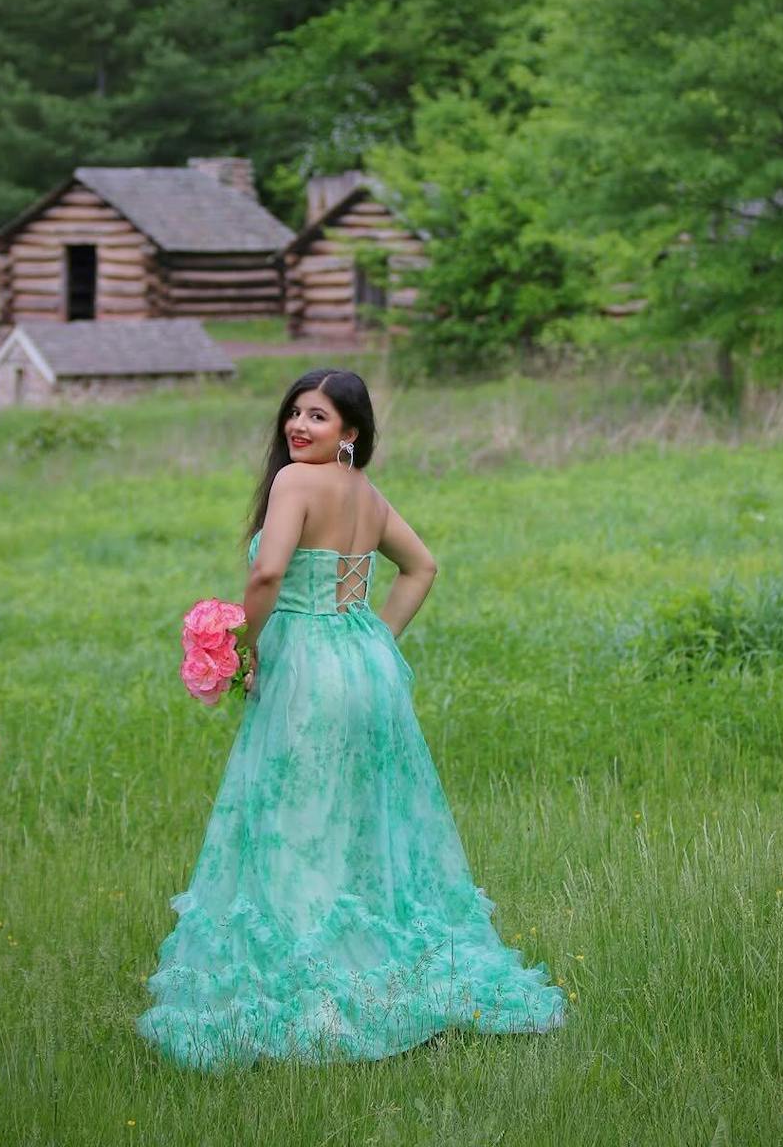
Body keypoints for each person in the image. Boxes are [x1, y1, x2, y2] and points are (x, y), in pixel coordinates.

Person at [135, 367, 567, 1067]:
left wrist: (243, 649)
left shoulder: (295, 483)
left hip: (307, 667)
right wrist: (373, 641)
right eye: (295, 412)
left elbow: (268, 574)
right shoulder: (366, 493)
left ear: (351, 432)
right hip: (365, 667)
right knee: (365, 821)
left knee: (297, 819)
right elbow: (421, 568)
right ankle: (385, 964)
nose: (299, 426)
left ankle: (316, 984)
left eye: (319, 416)